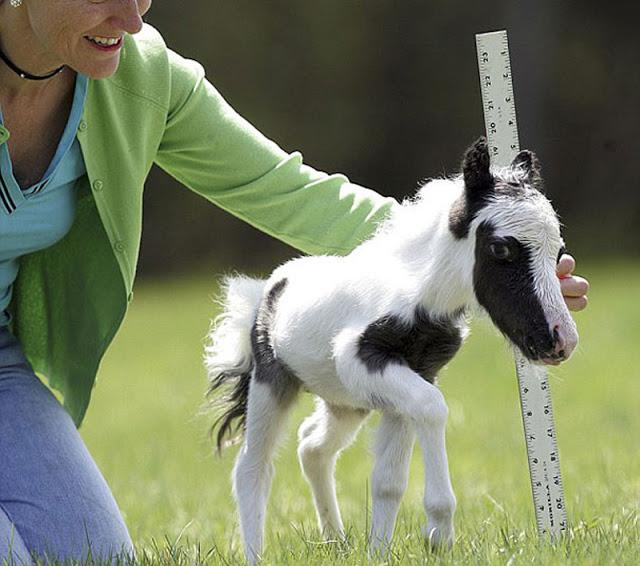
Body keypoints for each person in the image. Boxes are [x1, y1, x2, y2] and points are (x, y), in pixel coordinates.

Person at [0, 0, 589, 563]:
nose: (132, 19)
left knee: (92, 557)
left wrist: (476, 259)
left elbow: (293, 195)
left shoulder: (142, 77)